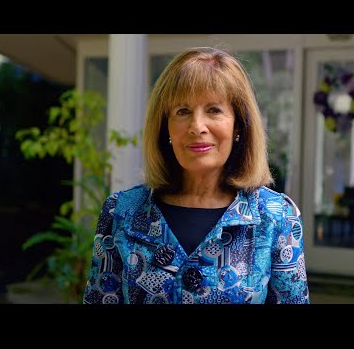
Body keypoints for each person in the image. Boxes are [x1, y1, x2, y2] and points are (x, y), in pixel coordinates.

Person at [83, 46, 309, 304]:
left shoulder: (275, 217)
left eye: (214, 110)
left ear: (238, 126)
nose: (197, 127)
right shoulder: (121, 212)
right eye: (182, 111)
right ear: (165, 127)